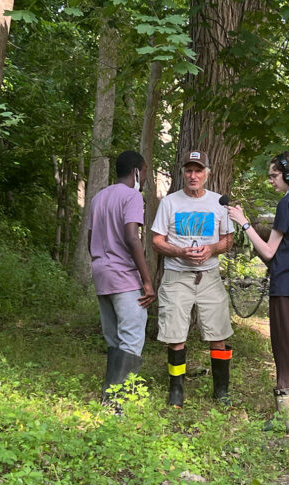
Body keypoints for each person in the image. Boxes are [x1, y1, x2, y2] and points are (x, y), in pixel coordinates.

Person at [227, 151, 289, 433]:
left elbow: (269, 251)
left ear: (288, 175)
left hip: (285, 287)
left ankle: (284, 417)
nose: (270, 181)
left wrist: (244, 223)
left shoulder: (288, 203)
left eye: (273, 175)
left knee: (285, 347)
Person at [151, 150, 234, 407]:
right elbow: (156, 240)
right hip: (177, 275)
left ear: (207, 173)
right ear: (183, 173)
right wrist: (179, 252)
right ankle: (176, 390)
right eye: (189, 170)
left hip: (209, 276)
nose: (193, 175)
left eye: (198, 170)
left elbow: (228, 239)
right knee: (176, 335)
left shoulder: (218, 202)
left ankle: (221, 391)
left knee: (218, 332)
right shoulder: (170, 202)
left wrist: (211, 249)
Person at [85, 150, 156, 410]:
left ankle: (110, 395)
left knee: (114, 337)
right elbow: (131, 236)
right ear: (137, 171)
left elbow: (89, 238)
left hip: (101, 274)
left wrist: (99, 261)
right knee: (132, 336)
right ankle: (117, 402)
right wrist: (146, 280)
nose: (145, 177)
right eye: (145, 172)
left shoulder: (99, 197)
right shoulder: (132, 195)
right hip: (124, 276)